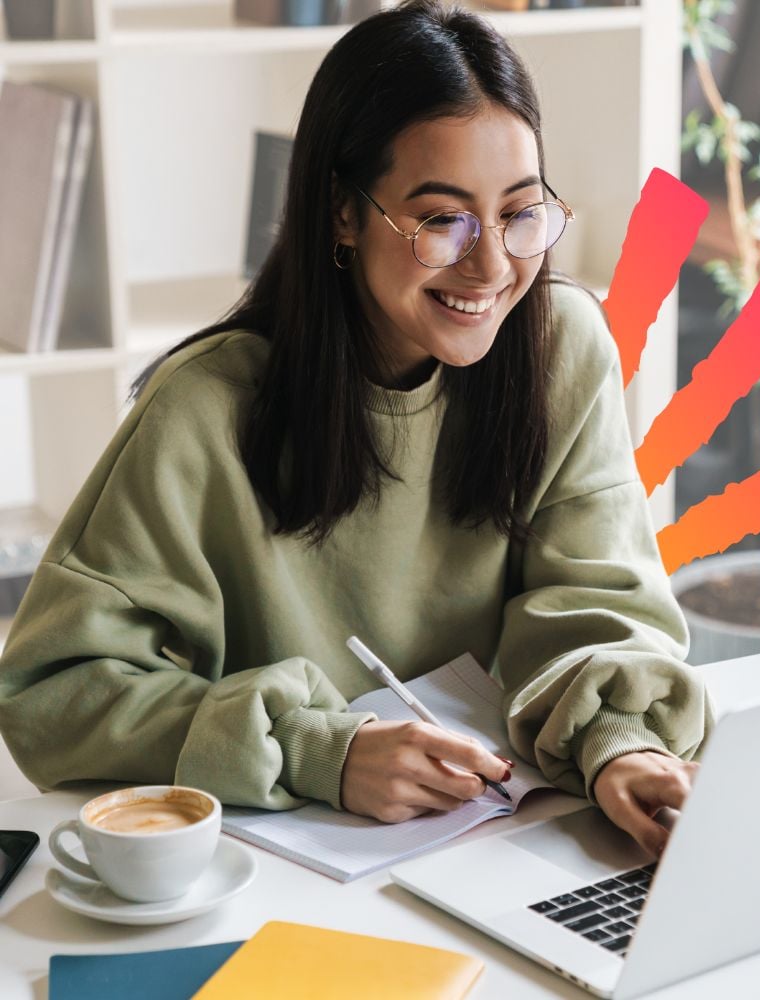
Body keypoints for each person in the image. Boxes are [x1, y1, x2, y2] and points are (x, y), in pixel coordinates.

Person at [0, 0, 712, 858]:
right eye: (443, 219)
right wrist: (317, 751)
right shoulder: (205, 408)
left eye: (520, 212)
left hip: (513, 841)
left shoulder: (563, 349)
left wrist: (620, 742)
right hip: (291, 867)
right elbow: (52, 691)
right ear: (343, 213)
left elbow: (599, 601)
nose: (492, 265)